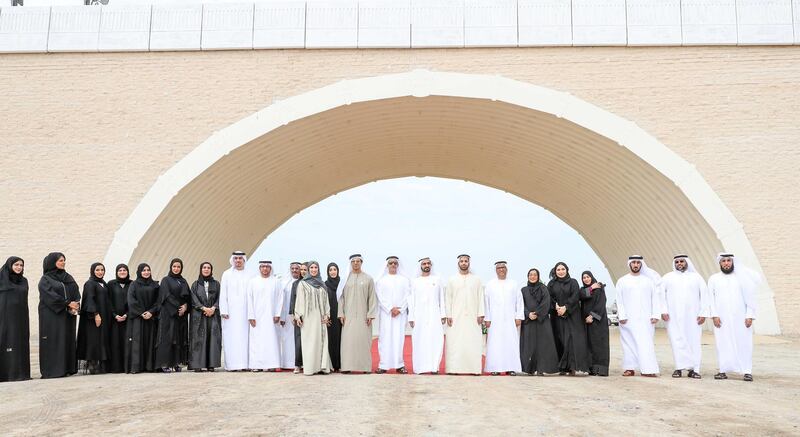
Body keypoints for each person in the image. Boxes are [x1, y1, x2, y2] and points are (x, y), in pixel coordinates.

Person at [708, 253, 760, 382]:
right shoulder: (714, 279)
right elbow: (710, 299)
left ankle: (747, 371)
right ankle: (723, 370)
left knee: (744, 344)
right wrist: (714, 315)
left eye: (729, 261)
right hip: (722, 318)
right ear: (720, 263)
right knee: (723, 343)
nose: (726, 263)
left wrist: (749, 315)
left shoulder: (742, 278)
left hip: (741, 318)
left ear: (733, 262)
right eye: (723, 261)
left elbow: (750, 299)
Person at [660, 255, 709, 379]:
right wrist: (663, 311)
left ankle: (695, 369)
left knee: (694, 341)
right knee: (676, 340)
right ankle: (679, 368)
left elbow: (704, 295)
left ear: (687, 262)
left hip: (693, 317)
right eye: (677, 262)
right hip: (673, 317)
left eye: (682, 261)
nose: (679, 263)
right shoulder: (667, 277)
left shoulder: (696, 277)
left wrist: (703, 313)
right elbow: (660, 296)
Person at [615, 255, 661, 377]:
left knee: (646, 343)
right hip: (627, 319)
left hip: (646, 319)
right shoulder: (622, 281)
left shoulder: (648, 281)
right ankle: (629, 368)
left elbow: (655, 299)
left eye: (638, 263)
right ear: (629, 264)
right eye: (633, 262)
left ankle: (648, 369)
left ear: (641, 264)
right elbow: (619, 300)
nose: (636, 265)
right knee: (628, 343)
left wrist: (656, 314)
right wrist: (622, 315)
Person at [38, 252, 80, 379]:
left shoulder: (68, 277)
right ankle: (53, 370)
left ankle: (67, 368)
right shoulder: (46, 279)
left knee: (67, 338)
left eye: (64, 260)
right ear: (52, 262)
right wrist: (67, 304)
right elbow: (49, 295)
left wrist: (75, 305)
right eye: (61, 260)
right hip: (51, 314)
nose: (63, 262)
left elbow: (76, 292)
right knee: (54, 339)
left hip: (68, 314)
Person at [444, 254, 484, 375]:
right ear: (458, 264)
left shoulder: (476, 279)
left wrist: (481, 314)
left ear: (469, 263)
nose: (464, 263)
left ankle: (474, 369)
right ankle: (453, 368)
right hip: (455, 317)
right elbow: (448, 298)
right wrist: (449, 315)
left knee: (473, 341)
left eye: (466, 261)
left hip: (473, 316)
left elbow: (480, 297)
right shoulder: (452, 279)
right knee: (455, 342)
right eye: (461, 261)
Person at [548, 262, 590, 375]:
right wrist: (556, 307)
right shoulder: (551, 284)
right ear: (555, 271)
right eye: (558, 270)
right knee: (560, 339)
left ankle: (572, 366)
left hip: (572, 316)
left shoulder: (573, 282)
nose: (561, 271)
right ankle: (562, 367)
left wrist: (565, 307)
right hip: (557, 316)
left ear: (567, 270)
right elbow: (549, 297)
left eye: (563, 269)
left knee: (571, 340)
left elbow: (575, 296)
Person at [338, 254, 377, 374]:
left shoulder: (368, 279)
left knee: (363, 341)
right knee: (348, 342)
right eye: (353, 261)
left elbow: (372, 298)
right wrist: (341, 313)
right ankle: (346, 367)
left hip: (363, 316)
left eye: (358, 261)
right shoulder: (345, 279)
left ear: (361, 262)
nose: (355, 263)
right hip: (348, 316)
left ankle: (365, 367)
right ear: (350, 263)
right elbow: (341, 297)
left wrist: (370, 314)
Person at [483, 261, 523, 376]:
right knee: (495, 343)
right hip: (494, 320)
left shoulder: (514, 284)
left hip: (510, 319)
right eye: (499, 268)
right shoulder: (490, 284)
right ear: (496, 270)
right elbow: (486, 303)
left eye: (503, 267)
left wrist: (518, 316)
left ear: (507, 269)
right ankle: (494, 367)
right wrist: (487, 318)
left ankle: (511, 368)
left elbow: (519, 302)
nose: (501, 269)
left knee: (511, 342)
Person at [293, 261, 332, 375]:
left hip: (320, 318)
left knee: (321, 341)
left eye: (316, 267)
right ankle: (310, 368)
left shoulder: (322, 284)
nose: (314, 269)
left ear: (318, 269)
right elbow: (299, 300)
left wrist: (327, 315)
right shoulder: (303, 284)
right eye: (312, 267)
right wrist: (298, 315)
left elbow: (326, 302)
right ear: (309, 270)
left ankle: (322, 367)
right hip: (308, 318)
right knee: (309, 342)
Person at [408, 257, 445, 375]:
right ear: (420, 266)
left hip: (434, 315)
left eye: (428, 263)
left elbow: (442, 299)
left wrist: (443, 314)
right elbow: (411, 300)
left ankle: (434, 367)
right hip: (419, 316)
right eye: (424, 263)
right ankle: (420, 368)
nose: (426, 265)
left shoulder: (437, 279)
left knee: (436, 339)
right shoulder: (415, 281)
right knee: (419, 340)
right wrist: (411, 317)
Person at [519, 268, 559, 376]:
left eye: (535, 275)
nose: (532, 276)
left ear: (538, 276)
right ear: (528, 276)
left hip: (542, 321)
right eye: (530, 275)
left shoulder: (543, 288)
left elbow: (546, 302)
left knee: (542, 346)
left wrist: (536, 313)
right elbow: (520, 305)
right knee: (529, 346)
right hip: (529, 321)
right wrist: (528, 314)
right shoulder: (523, 290)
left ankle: (541, 368)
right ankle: (529, 369)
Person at [375, 256, 411, 374]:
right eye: (391, 263)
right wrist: (390, 308)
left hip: (400, 314)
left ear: (398, 265)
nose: (393, 265)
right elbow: (380, 297)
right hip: (386, 314)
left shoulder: (404, 280)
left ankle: (399, 365)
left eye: (395, 263)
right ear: (387, 265)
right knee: (384, 339)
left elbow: (408, 296)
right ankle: (383, 365)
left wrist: (399, 309)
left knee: (399, 339)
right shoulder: (381, 280)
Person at [155, 258, 191, 372]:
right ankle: (164, 363)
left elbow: (188, 297)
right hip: (168, 314)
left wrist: (185, 306)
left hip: (181, 315)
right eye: (174, 266)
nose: (176, 269)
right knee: (167, 338)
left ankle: (176, 363)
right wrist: (178, 308)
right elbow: (166, 296)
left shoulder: (183, 281)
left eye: (178, 267)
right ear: (171, 267)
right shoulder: (166, 280)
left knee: (178, 339)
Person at [247, 260, 283, 372]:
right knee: (256, 341)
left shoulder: (276, 282)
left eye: (267, 266)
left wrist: (277, 314)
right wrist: (251, 316)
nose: (265, 269)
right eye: (262, 266)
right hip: (256, 318)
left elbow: (280, 298)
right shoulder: (253, 282)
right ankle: (256, 365)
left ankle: (272, 364)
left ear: (270, 268)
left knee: (271, 340)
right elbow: (249, 299)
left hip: (271, 317)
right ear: (259, 268)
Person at [219, 251, 252, 371]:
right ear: (233, 260)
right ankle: (232, 365)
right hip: (230, 313)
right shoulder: (226, 274)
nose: (238, 260)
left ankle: (245, 365)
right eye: (236, 258)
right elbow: (223, 294)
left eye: (240, 258)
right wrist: (224, 310)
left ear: (244, 260)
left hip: (245, 313)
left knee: (245, 338)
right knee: (231, 338)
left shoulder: (250, 274)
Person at [76, 262, 111, 374]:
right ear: (92, 271)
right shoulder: (90, 283)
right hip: (93, 318)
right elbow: (89, 300)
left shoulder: (103, 284)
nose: (100, 272)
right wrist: (95, 314)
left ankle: (101, 365)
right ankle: (92, 365)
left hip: (104, 316)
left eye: (102, 270)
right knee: (94, 341)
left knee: (101, 340)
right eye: (97, 270)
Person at [0, 256, 31, 382]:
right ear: (10, 265)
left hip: (21, 317)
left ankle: (20, 373)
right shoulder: (1, 279)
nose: (19, 267)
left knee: (20, 342)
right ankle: (5, 374)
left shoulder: (24, 281)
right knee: (6, 340)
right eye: (16, 265)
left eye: (21, 265)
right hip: (4, 317)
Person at [125, 263, 160, 373]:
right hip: (137, 318)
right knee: (137, 342)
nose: (146, 272)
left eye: (148, 270)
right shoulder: (134, 285)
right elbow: (131, 300)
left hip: (151, 318)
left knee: (150, 341)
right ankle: (136, 367)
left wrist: (151, 312)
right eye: (143, 270)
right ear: (139, 272)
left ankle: (149, 366)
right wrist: (141, 313)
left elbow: (158, 301)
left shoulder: (155, 285)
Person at [188, 262, 221, 372]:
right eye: (204, 268)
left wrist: (213, 308)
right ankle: (197, 364)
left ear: (211, 270)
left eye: (208, 268)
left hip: (213, 314)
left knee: (212, 338)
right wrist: (203, 308)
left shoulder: (216, 284)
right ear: (201, 269)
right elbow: (193, 299)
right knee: (199, 338)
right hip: (199, 315)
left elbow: (219, 297)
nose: (206, 269)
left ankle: (211, 364)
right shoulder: (195, 284)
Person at [579, 270, 610, 376]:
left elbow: (601, 304)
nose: (586, 279)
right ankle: (591, 368)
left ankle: (601, 369)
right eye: (584, 278)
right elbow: (581, 295)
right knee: (589, 345)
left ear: (592, 277)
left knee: (599, 345)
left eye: (588, 277)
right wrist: (592, 288)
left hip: (598, 322)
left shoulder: (600, 290)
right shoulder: (584, 290)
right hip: (586, 323)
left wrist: (592, 316)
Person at [106, 264, 130, 373]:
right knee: (115, 343)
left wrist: (127, 314)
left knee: (127, 343)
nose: (122, 272)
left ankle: (127, 366)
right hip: (114, 320)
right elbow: (108, 301)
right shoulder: (111, 284)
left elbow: (135, 302)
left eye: (124, 270)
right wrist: (114, 315)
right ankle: (116, 367)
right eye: (120, 270)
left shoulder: (132, 284)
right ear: (116, 272)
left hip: (128, 319)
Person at [278, 262, 301, 370]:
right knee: (287, 340)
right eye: (293, 268)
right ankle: (287, 363)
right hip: (287, 317)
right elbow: (282, 302)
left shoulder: (302, 283)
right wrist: (282, 317)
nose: (295, 270)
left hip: (300, 317)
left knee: (298, 340)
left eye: (297, 268)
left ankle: (298, 363)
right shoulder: (285, 283)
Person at [289, 262, 309, 373]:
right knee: (298, 340)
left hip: (310, 316)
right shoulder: (296, 284)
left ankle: (308, 363)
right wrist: (293, 314)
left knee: (309, 340)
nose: (303, 271)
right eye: (301, 270)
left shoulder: (313, 283)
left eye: (305, 269)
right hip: (298, 316)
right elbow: (293, 300)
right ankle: (298, 364)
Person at [324, 262, 342, 372]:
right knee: (330, 340)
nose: (333, 272)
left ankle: (339, 364)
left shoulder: (342, 283)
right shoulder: (325, 284)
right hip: (330, 317)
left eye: (334, 269)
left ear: (338, 271)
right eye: (330, 270)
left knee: (340, 339)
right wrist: (326, 316)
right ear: (328, 272)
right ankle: (330, 364)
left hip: (340, 316)